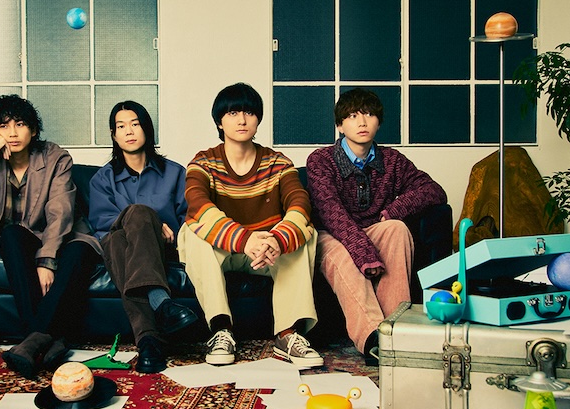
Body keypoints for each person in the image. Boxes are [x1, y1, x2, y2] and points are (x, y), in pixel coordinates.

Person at [0, 94, 99, 379]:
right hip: (22, 240)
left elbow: (60, 211)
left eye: (20, 124)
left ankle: (31, 343)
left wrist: (46, 260)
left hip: (64, 238)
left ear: (33, 129)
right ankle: (52, 340)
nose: (13, 133)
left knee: (79, 251)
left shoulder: (55, 157)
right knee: (11, 235)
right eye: (4, 126)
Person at [178, 82, 322, 368]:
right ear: (219, 121)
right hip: (225, 249)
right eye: (232, 113)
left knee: (307, 231)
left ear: (258, 119)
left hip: (267, 251)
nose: (242, 120)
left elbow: (299, 203)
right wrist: (245, 240)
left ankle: (287, 334)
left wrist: (278, 240)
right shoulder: (203, 162)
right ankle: (221, 330)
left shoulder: (278, 163)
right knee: (191, 231)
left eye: (249, 113)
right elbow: (197, 205)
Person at [306, 88, 447, 364]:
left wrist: (395, 209)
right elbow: (331, 211)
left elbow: (434, 190)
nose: (362, 122)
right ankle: (373, 338)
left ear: (378, 122)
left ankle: (397, 330)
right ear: (340, 125)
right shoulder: (321, 160)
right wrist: (362, 252)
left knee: (396, 229)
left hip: (372, 231)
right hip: (329, 235)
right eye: (352, 116)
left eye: (369, 115)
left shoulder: (392, 161)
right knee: (342, 253)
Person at [88, 101, 197, 374]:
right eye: (121, 126)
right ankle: (152, 333)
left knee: (133, 221)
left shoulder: (175, 173)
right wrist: (149, 222)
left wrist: (159, 228)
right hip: (119, 249)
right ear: (113, 135)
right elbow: (102, 226)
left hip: (165, 250)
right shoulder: (102, 179)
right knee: (120, 235)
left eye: (135, 124)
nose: (129, 131)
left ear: (147, 129)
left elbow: (190, 219)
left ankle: (148, 336)